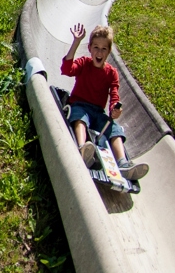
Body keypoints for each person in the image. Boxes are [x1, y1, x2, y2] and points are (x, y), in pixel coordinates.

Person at [61, 23, 149, 181]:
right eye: (96, 47)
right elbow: (67, 69)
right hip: (80, 104)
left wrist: (115, 108)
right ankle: (83, 148)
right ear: (89, 48)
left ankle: (122, 163)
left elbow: (114, 94)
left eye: (103, 49)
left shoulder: (111, 73)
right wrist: (76, 42)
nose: (99, 52)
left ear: (109, 51)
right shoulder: (84, 63)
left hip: (98, 112)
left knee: (114, 128)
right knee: (80, 116)